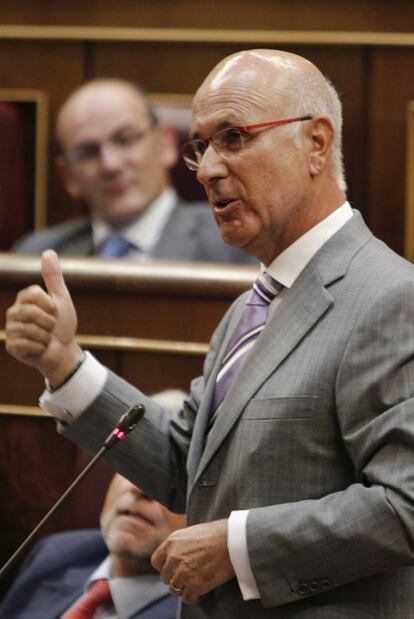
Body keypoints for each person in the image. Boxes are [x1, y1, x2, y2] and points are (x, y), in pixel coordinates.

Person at [5, 48, 414, 618]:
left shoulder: (393, 298)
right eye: (202, 146)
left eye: (235, 138)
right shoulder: (253, 302)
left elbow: (406, 503)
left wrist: (237, 547)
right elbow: (182, 468)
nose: (210, 169)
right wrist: (66, 365)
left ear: (317, 143)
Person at [11, 78, 255, 266]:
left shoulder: (235, 246)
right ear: (68, 177)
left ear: (164, 144)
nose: (110, 165)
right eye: (88, 152)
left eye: (125, 140)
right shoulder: (35, 256)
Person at [0, 473, 186, 619]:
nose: (139, 488)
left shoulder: (198, 612)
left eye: (176, 479)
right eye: (131, 467)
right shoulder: (56, 554)